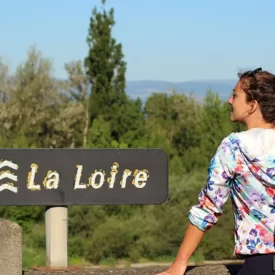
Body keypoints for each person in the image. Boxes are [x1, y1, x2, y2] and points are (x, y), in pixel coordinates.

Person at [155, 67, 275, 275]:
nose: (230, 100)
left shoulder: (234, 147)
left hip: (262, 263)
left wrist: (180, 263)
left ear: (252, 105)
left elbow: (208, 208)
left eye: (236, 95)